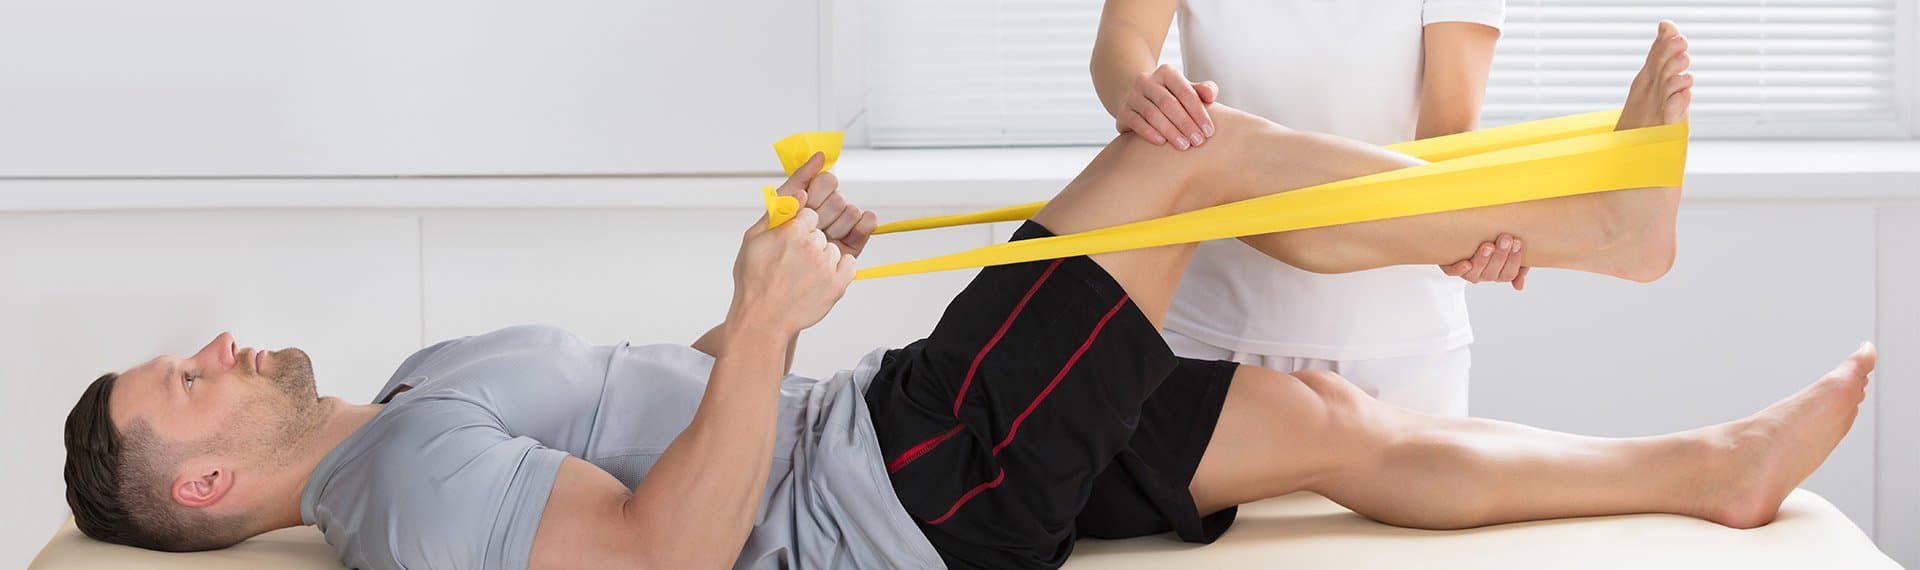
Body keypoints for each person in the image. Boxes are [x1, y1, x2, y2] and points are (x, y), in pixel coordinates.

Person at [64, 23, 1867, 570]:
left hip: (882, 428)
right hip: (912, 495)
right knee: (1197, 148)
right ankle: (1598, 229)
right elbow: (668, 562)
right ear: (205, 489)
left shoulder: (417, 384)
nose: (217, 352)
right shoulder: (401, 495)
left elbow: (687, 415)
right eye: (187, 388)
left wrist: (766, 289)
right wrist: (772, 336)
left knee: (1317, 420)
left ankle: (1704, 464)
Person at [1094, 0, 1521, 416]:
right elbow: (1124, 31)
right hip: (1206, 329)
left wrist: (1461, 232)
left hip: (1397, 342)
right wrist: (1141, 93)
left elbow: (1447, 135)